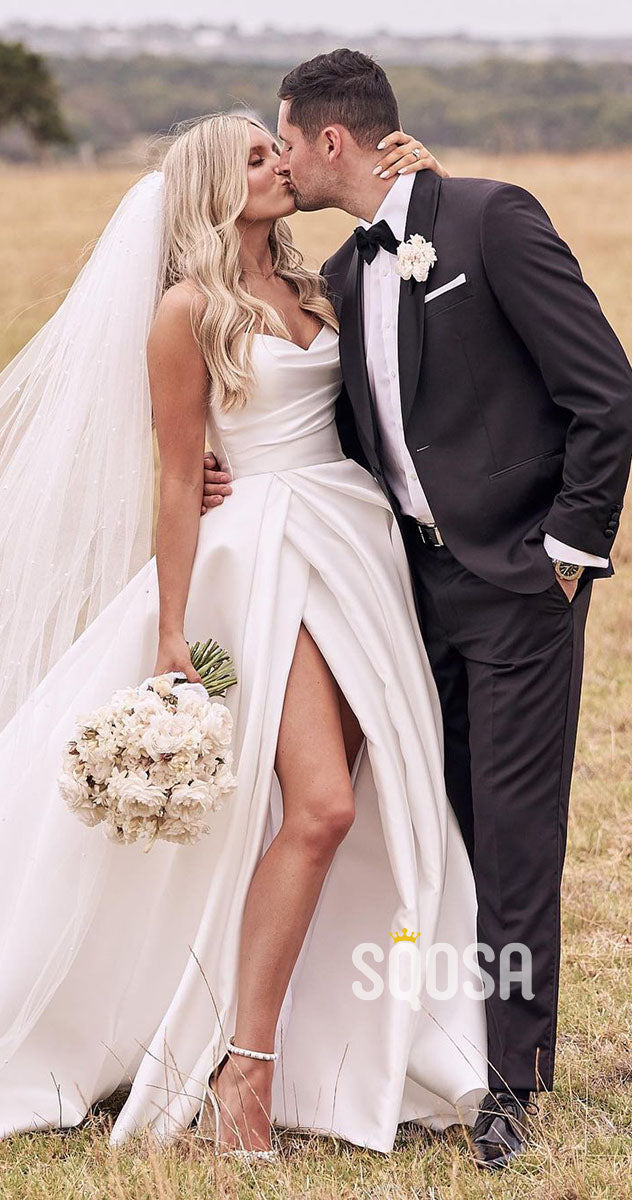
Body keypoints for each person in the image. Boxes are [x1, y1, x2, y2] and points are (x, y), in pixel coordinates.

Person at [0, 112, 487, 1164]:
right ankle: (242, 1074)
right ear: (213, 190)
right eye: (257, 158)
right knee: (320, 805)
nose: (280, 165)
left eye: (278, 149)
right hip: (261, 563)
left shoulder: (318, 285)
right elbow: (180, 476)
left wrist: (426, 190)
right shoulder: (187, 312)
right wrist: (173, 631)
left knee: (348, 808)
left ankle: (315, 1041)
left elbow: (408, 336)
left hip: (353, 551)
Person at [203, 51, 632, 1169]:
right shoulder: (343, 275)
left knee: (513, 838)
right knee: (437, 829)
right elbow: (327, 420)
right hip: (400, 592)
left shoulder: (490, 220)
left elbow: (604, 390)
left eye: (285, 141)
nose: (279, 160)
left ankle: (511, 1083)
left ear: (328, 141)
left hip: (518, 587)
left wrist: (566, 551)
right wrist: (219, 467)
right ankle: (444, 1042)